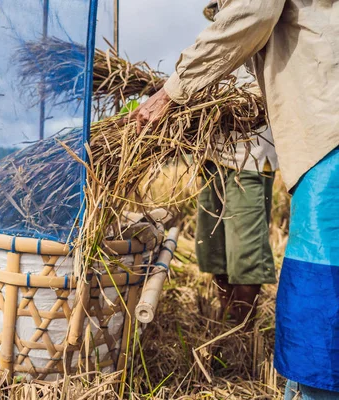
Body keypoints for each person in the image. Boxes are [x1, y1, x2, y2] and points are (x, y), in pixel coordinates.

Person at [128, 0, 339, 397]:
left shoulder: (250, 32)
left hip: (303, 146)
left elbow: (254, 11)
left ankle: (251, 345)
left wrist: (170, 93)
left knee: (311, 280)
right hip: (237, 158)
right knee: (223, 256)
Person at [195, 4, 278, 328]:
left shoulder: (265, 38)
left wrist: (235, 103)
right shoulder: (212, 42)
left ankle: (243, 329)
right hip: (212, 157)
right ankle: (225, 322)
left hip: (252, 159)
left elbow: (266, 93)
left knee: (245, 253)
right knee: (214, 248)